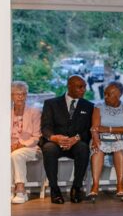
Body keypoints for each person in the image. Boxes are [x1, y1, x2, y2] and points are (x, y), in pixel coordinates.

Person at [40, 75, 94, 203]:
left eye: (85, 86)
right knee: (48, 148)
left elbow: (89, 130)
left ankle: (76, 187)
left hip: (76, 143)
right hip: (56, 142)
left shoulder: (89, 106)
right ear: (69, 86)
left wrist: (76, 138)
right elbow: (45, 127)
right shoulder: (51, 104)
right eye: (80, 87)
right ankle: (54, 189)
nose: (84, 90)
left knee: (83, 148)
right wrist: (54, 138)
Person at [89, 81, 123, 200]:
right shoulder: (98, 107)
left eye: (109, 94)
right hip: (101, 137)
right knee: (97, 148)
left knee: (119, 147)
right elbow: (95, 127)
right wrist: (95, 139)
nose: (105, 97)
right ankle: (95, 185)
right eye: (104, 94)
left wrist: (108, 129)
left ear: (119, 94)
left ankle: (120, 185)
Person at [10, 81, 41, 204]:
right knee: (7, 155)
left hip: (30, 147)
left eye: (23, 94)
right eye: (17, 94)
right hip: (10, 147)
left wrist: (21, 145)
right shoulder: (5, 112)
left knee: (16, 154)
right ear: (11, 96)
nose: (20, 97)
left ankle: (20, 190)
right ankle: (9, 189)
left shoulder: (34, 112)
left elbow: (36, 137)